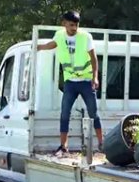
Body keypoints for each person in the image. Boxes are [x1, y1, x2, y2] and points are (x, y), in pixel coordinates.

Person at [36, 11, 102, 155]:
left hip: (85, 81)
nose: (74, 28)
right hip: (70, 83)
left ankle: (102, 144)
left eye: (76, 25)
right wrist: (39, 47)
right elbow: (52, 44)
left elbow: (94, 58)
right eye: (71, 25)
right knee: (64, 113)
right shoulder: (59, 35)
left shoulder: (85, 37)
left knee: (93, 113)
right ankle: (63, 146)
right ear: (64, 23)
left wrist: (95, 77)